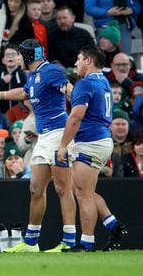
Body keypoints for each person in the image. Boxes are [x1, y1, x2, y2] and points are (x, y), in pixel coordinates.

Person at [0, 39, 76, 252]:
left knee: (62, 188)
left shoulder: (51, 71)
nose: (17, 58)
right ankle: (31, 243)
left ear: (28, 56)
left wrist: (81, 110)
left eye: (20, 55)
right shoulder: (34, 75)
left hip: (59, 135)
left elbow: (70, 90)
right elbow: (24, 93)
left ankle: (69, 241)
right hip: (43, 138)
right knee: (35, 188)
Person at [57, 46, 115, 251]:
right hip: (101, 140)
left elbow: (76, 117)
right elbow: (91, 109)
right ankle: (112, 224)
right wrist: (72, 96)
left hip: (91, 141)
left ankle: (87, 243)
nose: (75, 64)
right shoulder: (103, 81)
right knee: (81, 189)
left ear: (89, 61)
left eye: (79, 59)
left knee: (83, 194)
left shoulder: (85, 83)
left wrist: (63, 145)